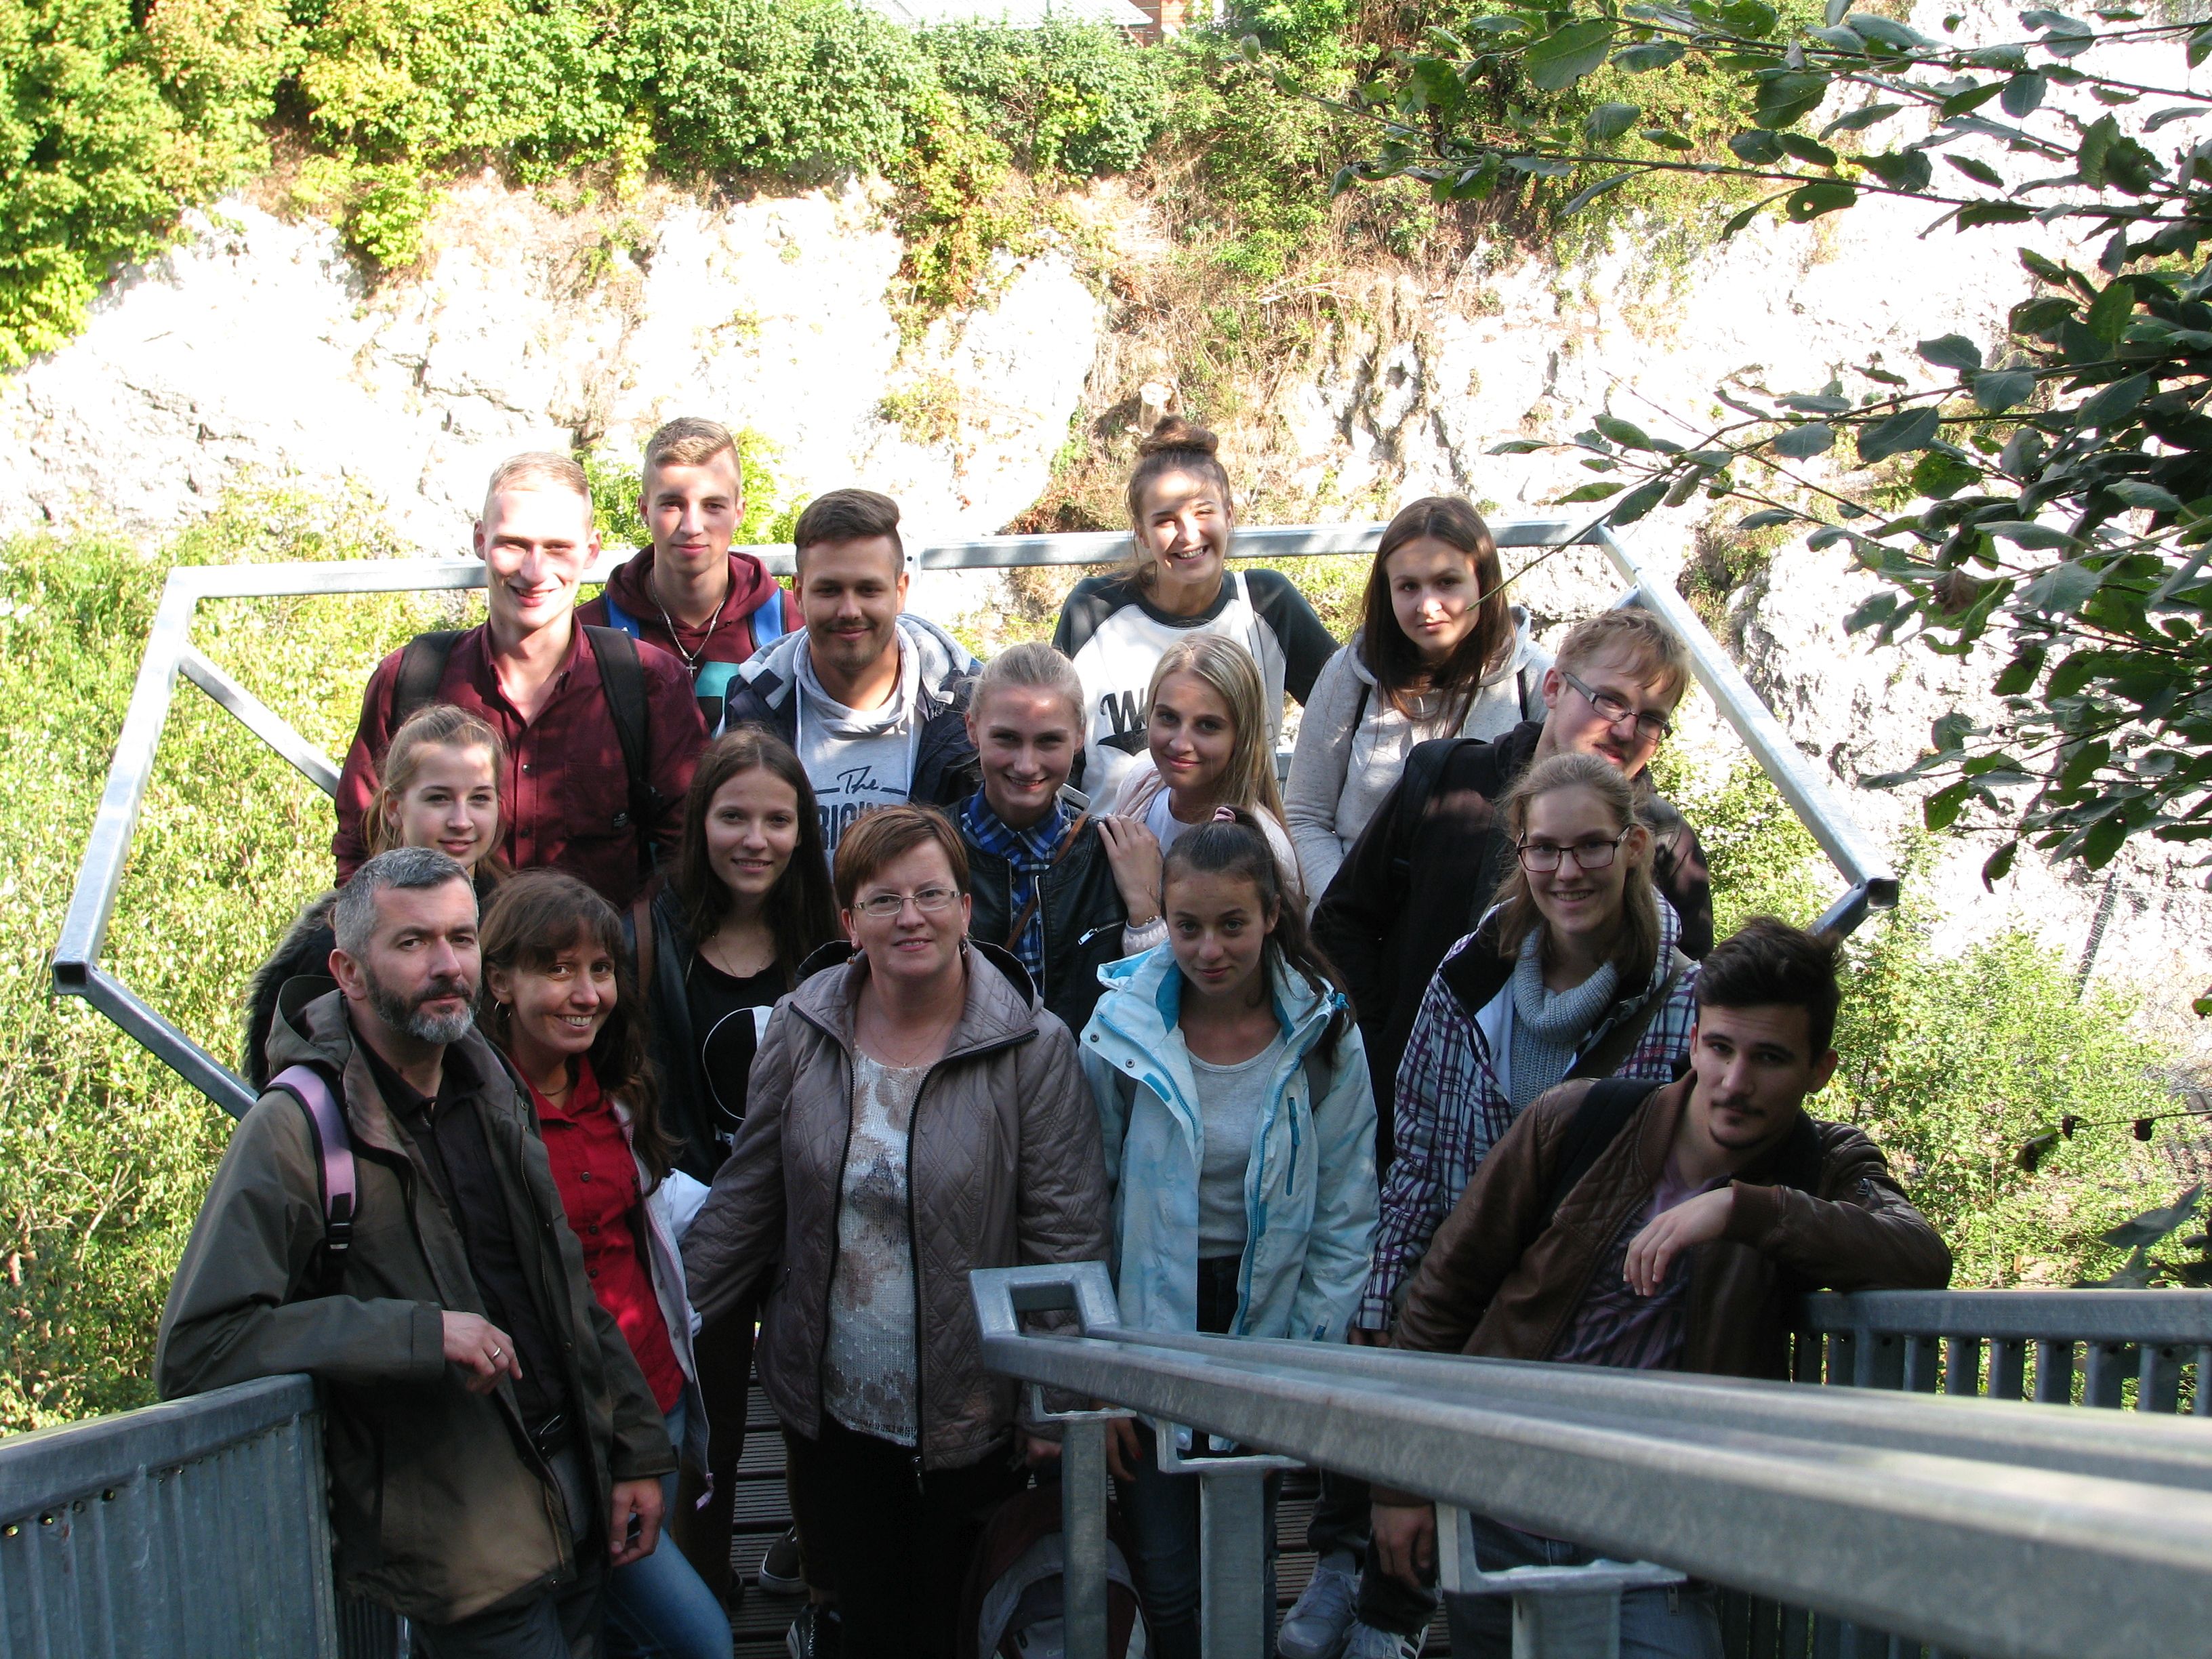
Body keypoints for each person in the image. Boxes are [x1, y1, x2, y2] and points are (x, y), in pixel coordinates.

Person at [1370, 918, 1953, 1659]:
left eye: (1770, 1059)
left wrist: (1745, 1210)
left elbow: (1919, 1256)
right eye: (1721, 1049)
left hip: (1657, 1539)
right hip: (1501, 1506)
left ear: (1820, 1070)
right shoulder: (1578, 1119)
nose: (1735, 1083)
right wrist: (1399, 1484)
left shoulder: (1820, 1163)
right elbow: (1444, 1294)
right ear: (1694, 1040)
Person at [157, 846, 676, 1658]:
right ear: (349, 972)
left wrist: (635, 1448)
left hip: (576, 1502)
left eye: (461, 939)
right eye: (413, 943)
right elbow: (202, 1345)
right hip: (464, 1548)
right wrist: (417, 1334)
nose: (446, 966)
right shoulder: (297, 1129)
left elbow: (565, 1287)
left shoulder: (488, 1081)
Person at [1289, 752, 1701, 1659]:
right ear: (1520, 853)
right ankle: (1383, 1599)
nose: (1566, 871)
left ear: (1633, 848)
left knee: (1556, 1576)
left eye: (1590, 847)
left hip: (1597, 1325)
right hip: (1467, 1296)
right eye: (1543, 849)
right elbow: (1422, 1148)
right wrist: (1384, 1295)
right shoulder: (1469, 974)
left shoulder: (1682, 1000)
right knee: (1477, 1576)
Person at [680, 806, 1111, 1659]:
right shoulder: (802, 1028)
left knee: (959, 1622)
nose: (910, 917)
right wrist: (667, 1323)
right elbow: (749, 1198)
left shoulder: (1032, 1047)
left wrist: (1052, 1404)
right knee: (872, 1621)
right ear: (850, 922)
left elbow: (1065, 1233)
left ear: (966, 909)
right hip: (836, 1402)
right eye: (883, 900)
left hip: (973, 1407)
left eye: (931, 895)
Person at [1080, 809, 1377, 1659]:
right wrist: (1101, 1369)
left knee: (1243, 1551)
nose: (1209, 950)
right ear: (1164, 920)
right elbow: (1088, 1196)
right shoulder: (1122, 1029)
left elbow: (1346, 1204)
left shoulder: (1323, 1033)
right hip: (1151, 1312)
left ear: (1272, 916)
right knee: (1166, 1566)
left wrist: (1308, 1352)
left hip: (1265, 1310)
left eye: (1232, 925)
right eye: (1188, 927)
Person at [1312, 607, 1715, 1167]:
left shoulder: (1665, 847)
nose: (1626, 730)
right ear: (1553, 687)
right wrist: (1383, 1057)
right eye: (1609, 700)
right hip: (1404, 1128)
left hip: (1575, 1161)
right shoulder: (1448, 781)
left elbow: (1685, 1012)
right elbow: (1344, 922)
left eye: (1651, 719)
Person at [478, 872, 728, 1659]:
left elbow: (653, 1212)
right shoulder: (476, 1118)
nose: (586, 994)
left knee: (626, 1635)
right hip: (569, 1425)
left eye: (600, 970)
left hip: (658, 1394)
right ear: (500, 982)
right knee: (699, 1640)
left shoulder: (614, 1094)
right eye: (558, 970)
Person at [632, 724, 840, 1611]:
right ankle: (706, 1598)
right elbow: (635, 1080)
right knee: (709, 1432)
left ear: (802, 831)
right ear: (699, 824)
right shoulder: (649, 937)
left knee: (818, 1423)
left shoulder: (828, 940)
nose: (755, 840)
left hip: (810, 1224)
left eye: (777, 820)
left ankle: (825, 1589)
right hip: (698, 1223)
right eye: (733, 818)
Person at [334, 451, 708, 907]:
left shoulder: (648, 684)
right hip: (447, 949)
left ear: (591, 551)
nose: (534, 572)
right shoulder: (411, 680)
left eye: (557, 548)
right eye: (513, 544)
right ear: (480, 540)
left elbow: (687, 853)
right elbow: (360, 846)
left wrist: (638, 942)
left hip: (603, 952)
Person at [1054, 416, 1336, 803]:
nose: (1188, 535)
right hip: (1113, 835)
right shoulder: (1094, 608)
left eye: (1203, 512)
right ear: (1142, 533)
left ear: (1229, 514)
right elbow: (1056, 743)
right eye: (1166, 521)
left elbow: (1344, 714)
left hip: (1234, 836)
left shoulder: (1267, 604)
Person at [1284, 497, 1543, 899]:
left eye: (1447, 582)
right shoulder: (1348, 676)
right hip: (1359, 910)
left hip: (1488, 916)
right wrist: (1345, 908)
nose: (1427, 606)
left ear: (1484, 582)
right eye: (1408, 587)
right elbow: (1305, 816)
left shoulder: (1534, 680)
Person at [245, 703, 507, 1088]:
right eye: (438, 798)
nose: (461, 821)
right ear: (395, 808)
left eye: (479, 798)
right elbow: (283, 1073)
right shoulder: (335, 940)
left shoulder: (517, 923)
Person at [721, 488, 981, 854]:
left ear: (900, 591)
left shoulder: (965, 706)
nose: (849, 611)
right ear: (799, 593)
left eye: (868, 590)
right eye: (829, 590)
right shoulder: (752, 705)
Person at [960, 641, 1166, 1040]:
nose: (1026, 765)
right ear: (972, 729)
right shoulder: (932, 853)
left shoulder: (1117, 855)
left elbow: (1153, 1003)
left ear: (1080, 736)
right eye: (1006, 739)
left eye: (1049, 741)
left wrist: (1146, 908)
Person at [579, 415, 802, 733]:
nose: (692, 526)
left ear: (739, 512)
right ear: (644, 510)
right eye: (673, 504)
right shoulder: (587, 634)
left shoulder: (796, 626)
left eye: (713, 506)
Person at [1102, 634, 1304, 905]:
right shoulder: (1142, 785)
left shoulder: (1266, 847)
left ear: (1242, 736)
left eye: (1208, 725)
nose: (1180, 744)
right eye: (1168, 717)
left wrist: (1145, 901)